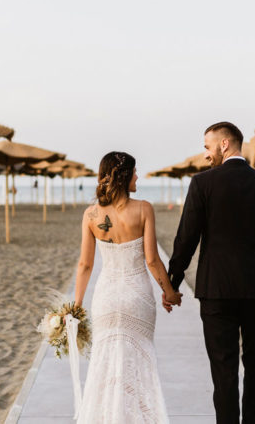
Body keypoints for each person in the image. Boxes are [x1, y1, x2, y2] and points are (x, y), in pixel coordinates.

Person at [165, 122, 255, 424]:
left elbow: (186, 239)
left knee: (223, 369)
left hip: (216, 291)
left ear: (224, 144)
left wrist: (172, 283)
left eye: (207, 146)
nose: (205, 154)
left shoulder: (202, 184)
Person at [73, 151, 182, 424]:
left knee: (104, 364)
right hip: (137, 297)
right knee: (140, 364)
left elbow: (85, 265)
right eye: (134, 172)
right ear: (123, 176)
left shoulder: (91, 215)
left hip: (106, 297)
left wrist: (75, 305)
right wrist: (170, 293)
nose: (137, 176)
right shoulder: (144, 209)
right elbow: (152, 260)